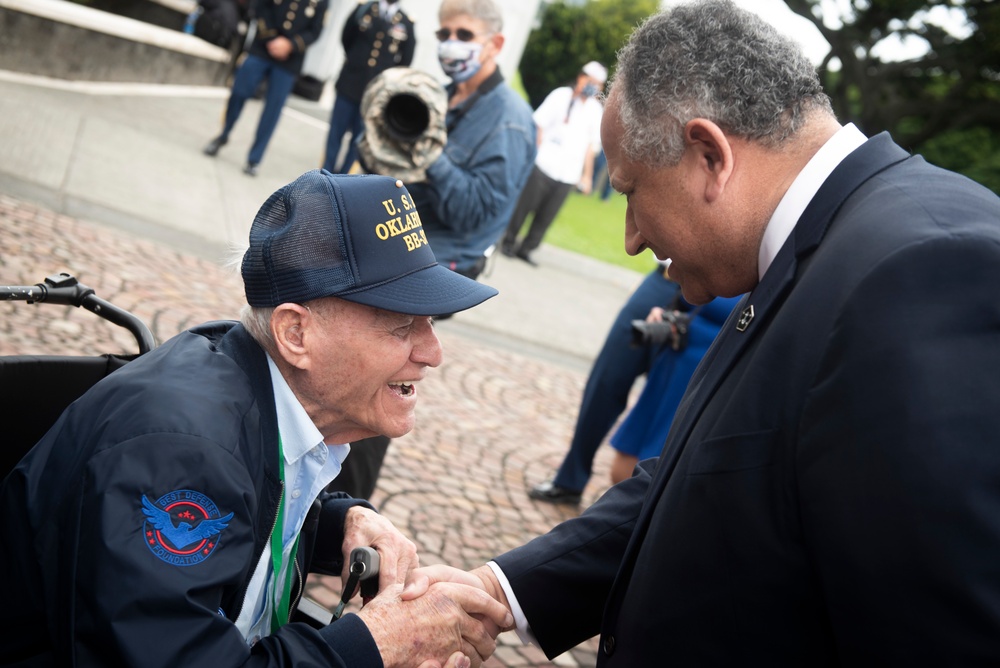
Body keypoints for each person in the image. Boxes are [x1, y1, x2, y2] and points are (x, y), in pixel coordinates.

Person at [408, 0, 1000, 662]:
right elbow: (714, 474)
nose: (631, 238)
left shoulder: (921, 273)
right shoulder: (823, 247)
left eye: (630, 191)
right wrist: (502, 589)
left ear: (709, 156)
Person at [0, 170, 513, 667]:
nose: (433, 352)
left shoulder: (248, 376)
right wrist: (373, 646)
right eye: (402, 326)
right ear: (296, 335)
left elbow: (259, 476)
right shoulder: (181, 452)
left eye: (429, 323)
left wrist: (342, 519)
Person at [402, 0, 537, 281]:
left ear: (495, 45)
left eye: (464, 35)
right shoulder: (437, 95)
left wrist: (429, 154)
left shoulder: (510, 121)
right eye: (444, 34)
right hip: (403, 235)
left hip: (440, 261)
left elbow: (473, 215)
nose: (451, 43)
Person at [529, 262, 678, 504]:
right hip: (663, 279)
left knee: (667, 404)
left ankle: (645, 501)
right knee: (605, 382)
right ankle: (570, 480)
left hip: (707, 298)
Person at [606, 294, 741, 484]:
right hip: (675, 359)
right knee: (630, 449)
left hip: (708, 371)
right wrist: (665, 311)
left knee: (661, 456)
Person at [202, 0, 328, 177]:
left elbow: (315, 31)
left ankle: (255, 159)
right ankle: (223, 134)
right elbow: (260, 7)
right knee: (239, 91)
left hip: (290, 60)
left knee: (273, 110)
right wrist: (271, 39)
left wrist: (290, 45)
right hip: (261, 48)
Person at [500, 61, 607, 266]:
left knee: (547, 214)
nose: (592, 86)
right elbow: (539, 125)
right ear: (581, 77)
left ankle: (527, 248)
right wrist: (533, 154)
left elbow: (591, 147)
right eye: (590, 81)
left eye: (597, 84)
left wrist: (586, 176)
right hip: (544, 163)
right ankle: (508, 240)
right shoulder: (561, 96)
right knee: (524, 206)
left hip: (568, 172)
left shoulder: (595, 110)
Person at [322, 0, 416, 175]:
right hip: (349, 84)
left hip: (376, 94)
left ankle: (343, 179)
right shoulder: (364, 9)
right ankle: (325, 174)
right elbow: (346, 38)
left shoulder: (406, 23)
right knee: (336, 134)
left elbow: (406, 60)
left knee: (359, 141)